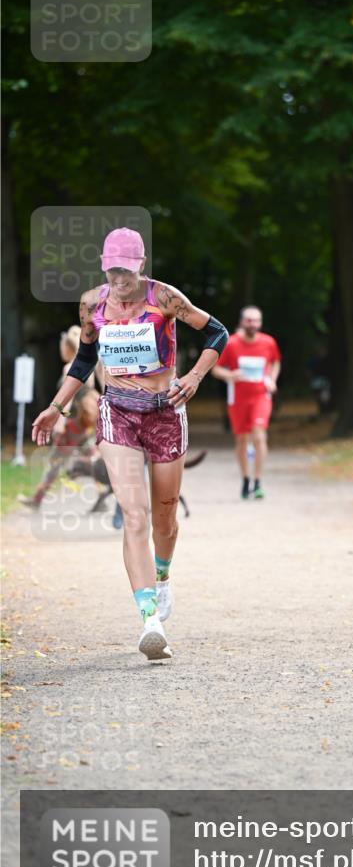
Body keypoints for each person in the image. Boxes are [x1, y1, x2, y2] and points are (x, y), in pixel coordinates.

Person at [31, 227, 229, 661]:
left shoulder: (165, 298)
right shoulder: (92, 304)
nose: (118, 279)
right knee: (134, 515)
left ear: (140, 266)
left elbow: (217, 332)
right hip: (116, 411)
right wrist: (56, 407)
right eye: (111, 270)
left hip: (165, 412)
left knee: (164, 516)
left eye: (126, 270)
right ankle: (149, 619)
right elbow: (84, 359)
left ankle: (162, 577)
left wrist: (193, 378)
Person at [18, 326, 101, 509]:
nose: (60, 350)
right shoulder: (89, 366)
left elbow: (68, 402)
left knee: (56, 460)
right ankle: (104, 493)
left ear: (69, 347)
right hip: (84, 421)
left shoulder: (69, 368)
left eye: (62, 346)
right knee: (91, 456)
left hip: (72, 422)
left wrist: (59, 423)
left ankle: (37, 499)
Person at [211, 305, 281, 500]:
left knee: (259, 436)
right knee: (242, 440)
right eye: (249, 320)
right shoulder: (231, 343)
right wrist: (231, 375)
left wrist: (271, 380)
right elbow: (216, 369)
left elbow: (275, 362)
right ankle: (245, 479)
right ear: (242, 321)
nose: (253, 324)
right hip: (238, 399)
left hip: (261, 396)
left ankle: (258, 481)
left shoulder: (268, 342)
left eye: (256, 320)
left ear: (260, 323)